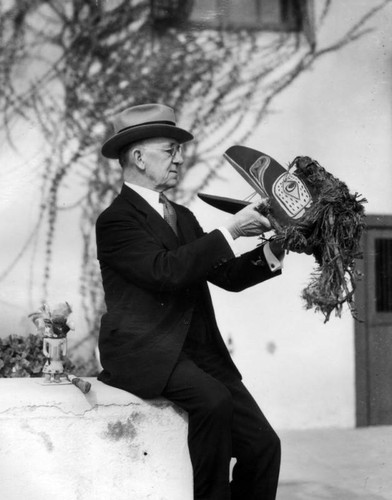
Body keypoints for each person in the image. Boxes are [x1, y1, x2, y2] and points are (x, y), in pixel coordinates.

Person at [96, 103, 284, 500]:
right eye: (170, 150)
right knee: (213, 402)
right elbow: (165, 272)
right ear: (138, 157)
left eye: (180, 150)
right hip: (145, 352)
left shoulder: (180, 215)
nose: (181, 158)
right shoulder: (115, 220)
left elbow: (227, 276)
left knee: (265, 446)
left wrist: (282, 243)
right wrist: (231, 229)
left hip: (198, 354)